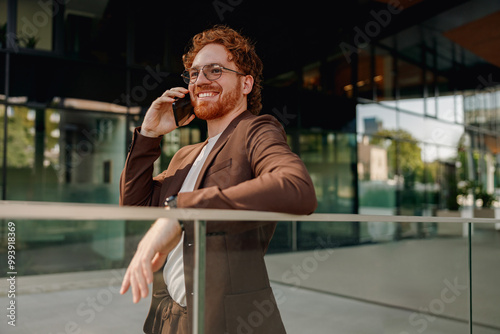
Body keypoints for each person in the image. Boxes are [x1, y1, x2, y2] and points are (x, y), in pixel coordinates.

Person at [119, 25, 317, 334]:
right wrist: (148, 135)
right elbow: (134, 207)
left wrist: (185, 212)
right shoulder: (185, 155)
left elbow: (297, 188)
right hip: (170, 319)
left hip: (228, 322)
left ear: (246, 83)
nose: (201, 81)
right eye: (195, 73)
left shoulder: (255, 130)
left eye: (215, 70)